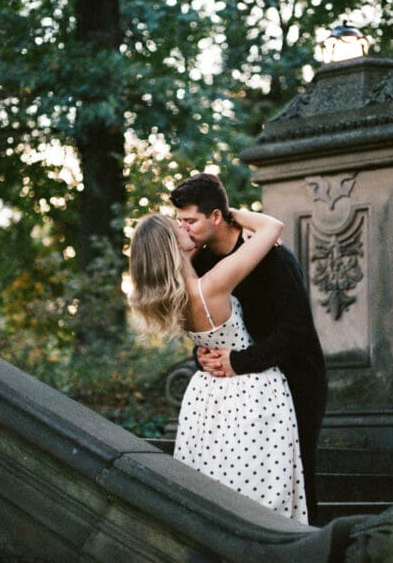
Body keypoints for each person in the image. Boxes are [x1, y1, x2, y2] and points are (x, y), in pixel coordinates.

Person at [129, 208, 309, 523]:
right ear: (175, 245)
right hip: (249, 392)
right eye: (179, 226)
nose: (187, 227)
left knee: (215, 492)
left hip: (205, 398)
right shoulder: (211, 285)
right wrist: (228, 215)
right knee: (260, 497)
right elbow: (273, 225)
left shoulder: (175, 298)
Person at [170, 173, 327, 523]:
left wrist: (238, 361)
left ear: (215, 216)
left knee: (296, 476)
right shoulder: (203, 262)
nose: (184, 230)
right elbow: (210, 324)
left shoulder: (273, 259)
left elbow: (297, 331)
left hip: (298, 378)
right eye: (179, 221)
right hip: (241, 391)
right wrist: (204, 355)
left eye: (191, 220)